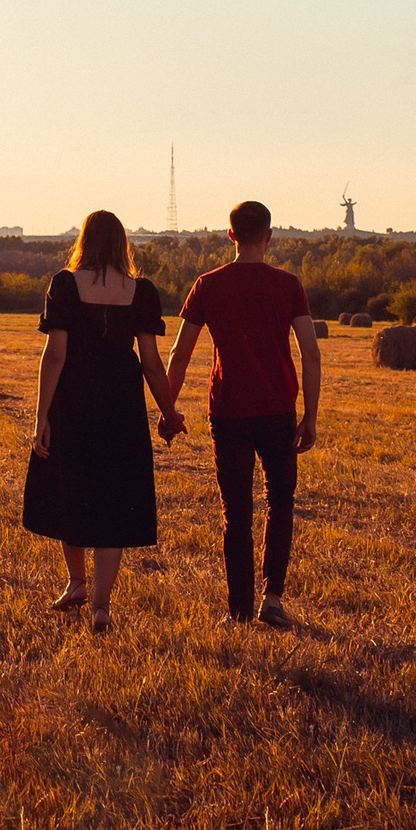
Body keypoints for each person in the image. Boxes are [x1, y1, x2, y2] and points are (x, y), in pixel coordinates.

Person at [164, 200, 321, 625]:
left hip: (228, 410)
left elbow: (180, 353)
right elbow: (311, 353)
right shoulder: (288, 285)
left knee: (235, 512)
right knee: (280, 503)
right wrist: (310, 415)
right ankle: (272, 601)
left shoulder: (207, 284)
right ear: (269, 237)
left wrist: (168, 407)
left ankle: (238, 611)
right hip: (278, 410)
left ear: (231, 235)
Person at [23, 209, 179, 631]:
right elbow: (151, 363)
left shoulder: (64, 284)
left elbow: (55, 354)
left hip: (73, 400)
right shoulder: (141, 291)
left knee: (70, 488)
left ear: (84, 241)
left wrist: (41, 416)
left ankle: (77, 581)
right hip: (121, 405)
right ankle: (100, 605)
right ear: (122, 243)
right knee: (113, 500)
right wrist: (169, 413)